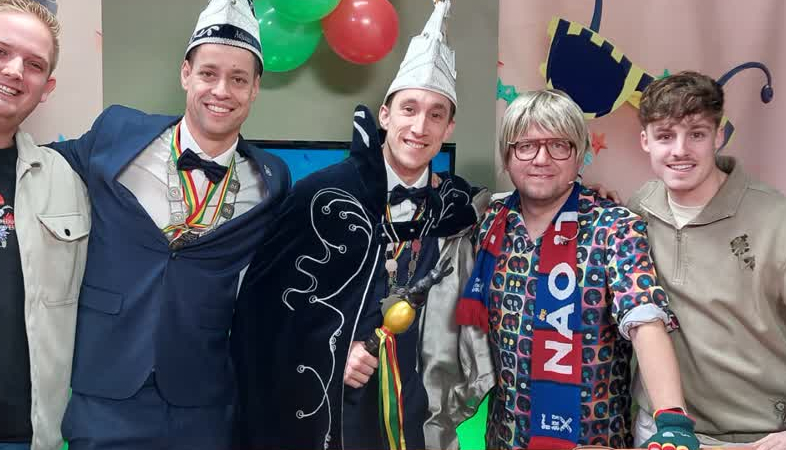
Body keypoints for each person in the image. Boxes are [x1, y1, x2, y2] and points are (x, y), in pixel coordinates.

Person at [231, 1, 493, 449]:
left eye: (435, 114)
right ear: (385, 115)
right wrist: (333, 355)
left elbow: (512, 208)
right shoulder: (322, 196)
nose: (420, 126)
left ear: (449, 128)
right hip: (330, 408)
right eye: (409, 109)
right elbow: (265, 309)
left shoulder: (453, 207)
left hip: (411, 408)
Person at [47, 0, 290, 447]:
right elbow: (39, 168)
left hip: (203, 400)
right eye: (208, 73)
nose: (221, 90)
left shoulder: (272, 179)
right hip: (104, 387)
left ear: (255, 88)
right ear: (185, 74)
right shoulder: (118, 132)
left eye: (239, 79)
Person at [456, 89, 698, 450]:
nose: (541, 159)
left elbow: (644, 317)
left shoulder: (614, 226)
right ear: (507, 156)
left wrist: (672, 418)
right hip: (506, 437)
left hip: (591, 440)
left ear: (579, 154)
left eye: (559, 146)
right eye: (526, 146)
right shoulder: (489, 222)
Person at [629, 71, 786, 450]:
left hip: (757, 435)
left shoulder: (776, 219)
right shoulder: (637, 209)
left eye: (696, 134)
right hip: (661, 430)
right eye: (665, 136)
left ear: (718, 136)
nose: (680, 150)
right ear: (645, 141)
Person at [0, 1, 88, 449]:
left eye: (33, 64)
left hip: (22, 436)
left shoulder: (69, 182)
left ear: (46, 88)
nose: (13, 71)